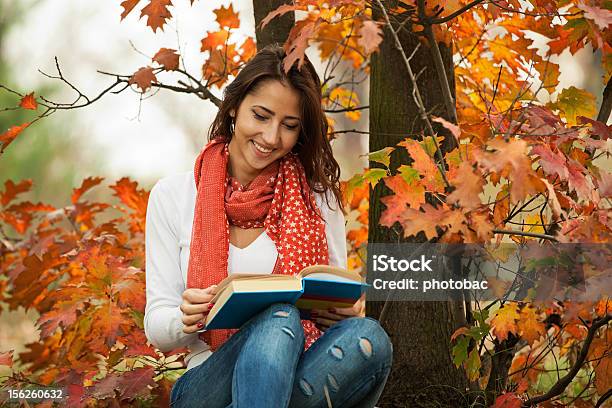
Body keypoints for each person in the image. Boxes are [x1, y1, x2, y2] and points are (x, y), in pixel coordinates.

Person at [144, 44, 392, 408]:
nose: (272, 137)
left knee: (369, 336)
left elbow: (333, 290)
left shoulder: (318, 199)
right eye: (261, 116)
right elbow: (157, 327)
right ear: (233, 108)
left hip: (303, 370)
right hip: (206, 385)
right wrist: (186, 318)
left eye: (289, 126)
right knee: (279, 318)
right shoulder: (173, 196)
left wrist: (341, 312)